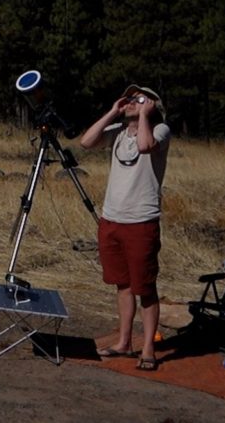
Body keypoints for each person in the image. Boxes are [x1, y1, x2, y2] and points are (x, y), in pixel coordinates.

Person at [79, 84, 171, 372]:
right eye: (130, 98)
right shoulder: (118, 131)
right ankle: (123, 342)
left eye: (139, 98)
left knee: (145, 287)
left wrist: (144, 114)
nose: (132, 102)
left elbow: (145, 147)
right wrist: (112, 112)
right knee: (123, 284)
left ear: (153, 105)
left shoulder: (160, 130)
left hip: (141, 220)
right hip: (112, 218)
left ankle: (148, 349)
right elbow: (86, 142)